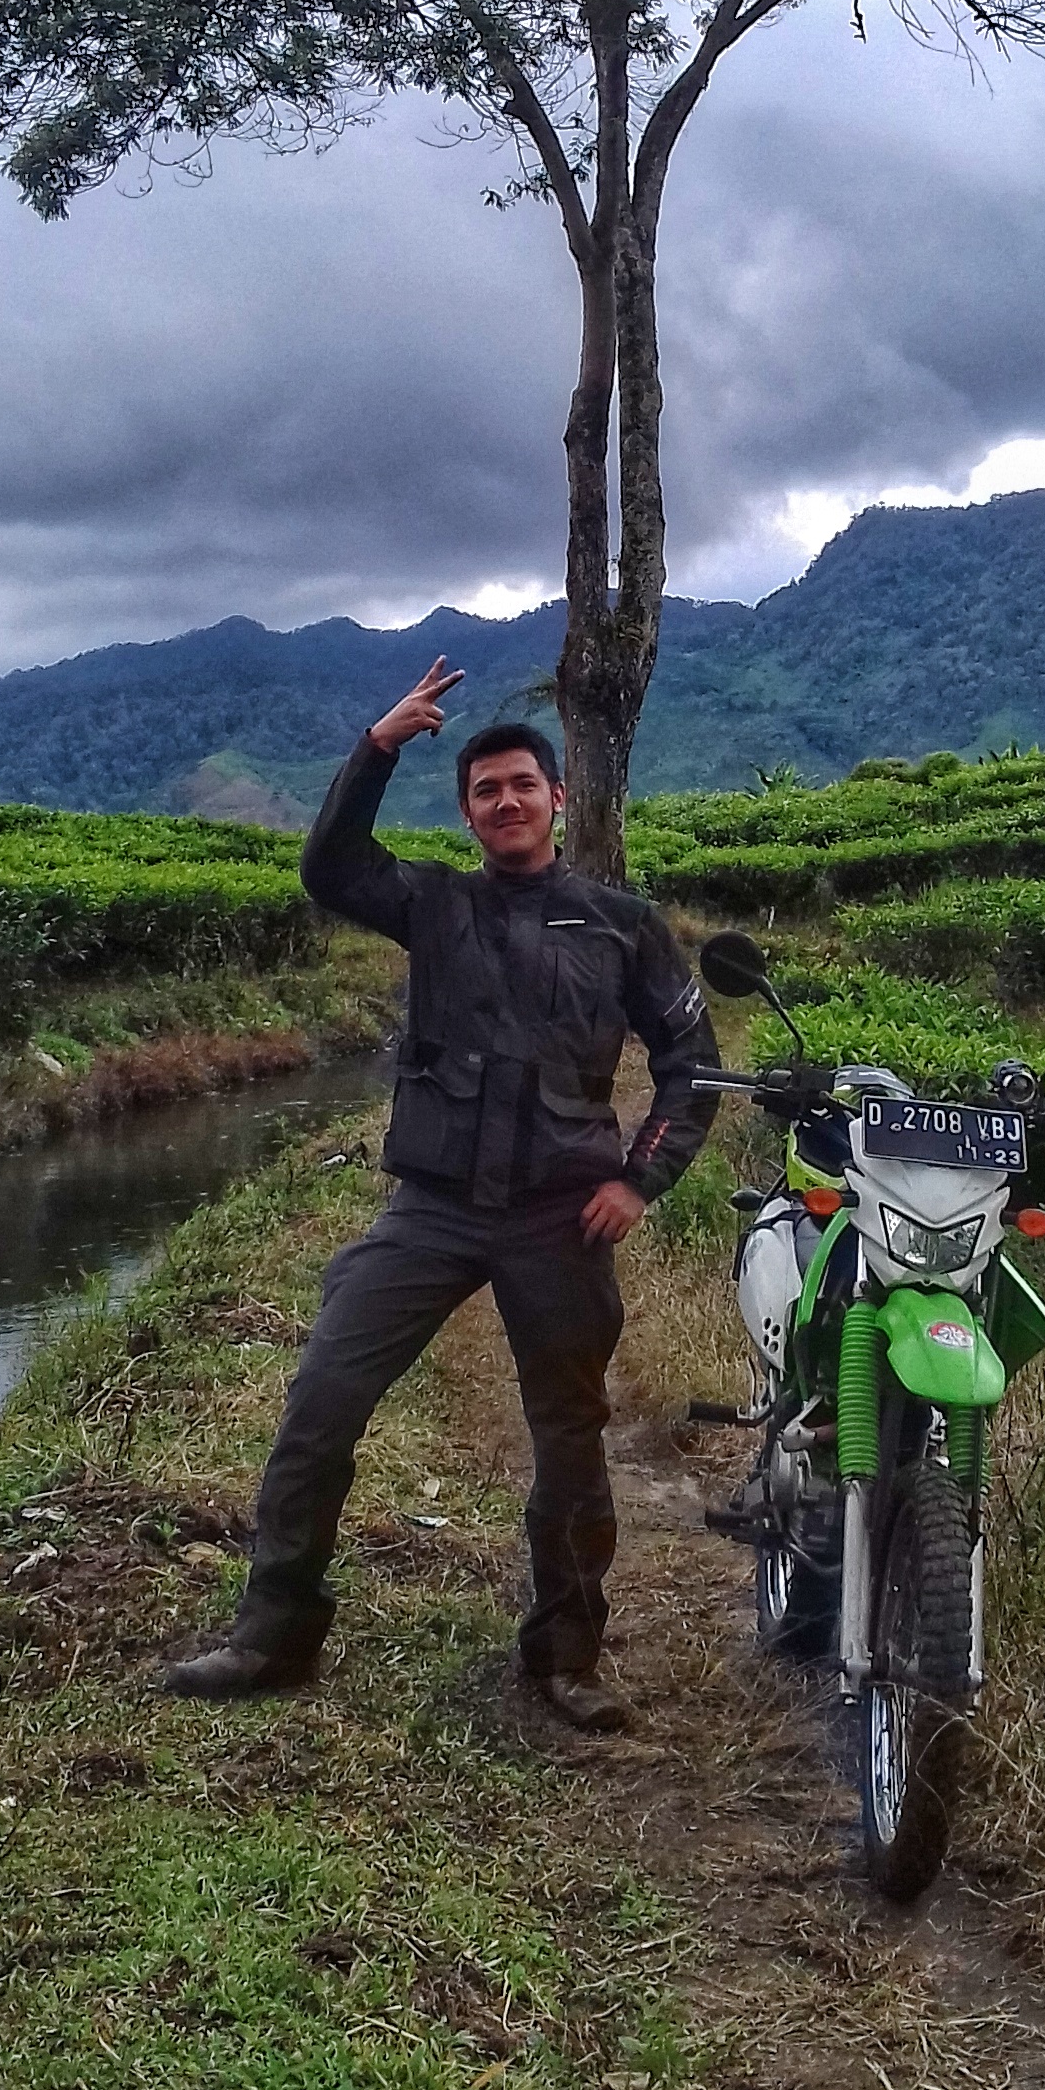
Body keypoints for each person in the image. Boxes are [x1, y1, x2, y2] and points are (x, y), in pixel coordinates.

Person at [160, 660, 720, 1729]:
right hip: (434, 1209)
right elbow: (329, 868)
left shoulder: (621, 924)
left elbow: (691, 1063)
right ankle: (271, 1636)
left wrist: (640, 1179)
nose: (506, 802)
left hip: (560, 1216)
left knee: (569, 1438)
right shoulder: (433, 903)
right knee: (321, 1400)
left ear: (557, 799)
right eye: (484, 790)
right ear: (466, 813)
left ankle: (567, 1658)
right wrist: (377, 747)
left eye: (523, 785)